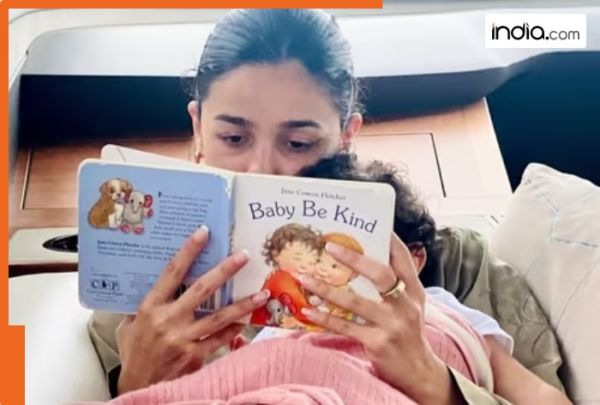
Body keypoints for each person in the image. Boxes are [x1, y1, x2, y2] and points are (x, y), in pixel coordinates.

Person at [88, 8, 567, 403]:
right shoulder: (142, 286)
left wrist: (433, 381)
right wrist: (137, 381)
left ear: (345, 137)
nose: (262, 169)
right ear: (197, 128)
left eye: (298, 143)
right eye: (233, 137)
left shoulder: (454, 264)